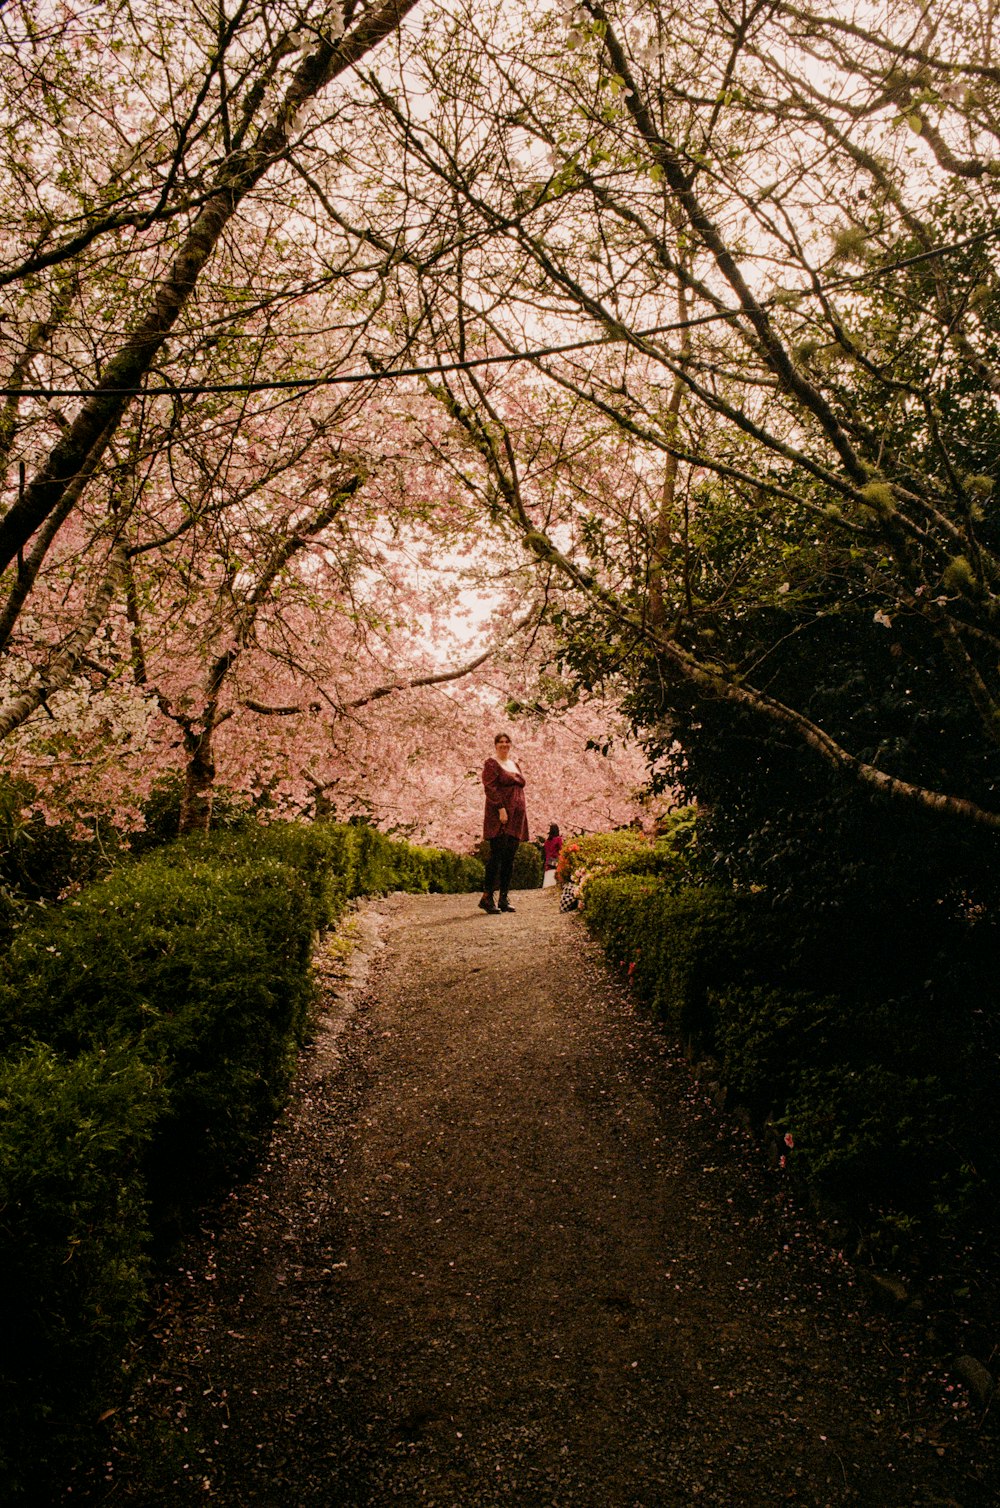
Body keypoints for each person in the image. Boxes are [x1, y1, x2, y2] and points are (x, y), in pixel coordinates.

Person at [479, 731, 528, 914]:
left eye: (507, 741)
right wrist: (500, 808)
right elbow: (490, 788)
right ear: (495, 745)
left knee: (510, 857)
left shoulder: (514, 764)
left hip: (517, 816)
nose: (504, 744)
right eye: (500, 742)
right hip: (501, 815)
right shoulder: (491, 764)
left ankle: (504, 898)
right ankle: (487, 897)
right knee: (497, 856)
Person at [542, 823, 562, 887]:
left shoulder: (547, 841)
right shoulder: (558, 839)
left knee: (548, 878)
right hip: (555, 860)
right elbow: (561, 849)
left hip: (548, 861)